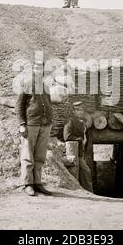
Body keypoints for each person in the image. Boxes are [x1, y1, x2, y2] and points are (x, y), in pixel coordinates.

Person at [15, 60, 54, 196]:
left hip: (45, 125)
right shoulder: (26, 84)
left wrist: (50, 120)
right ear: (32, 69)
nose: (38, 70)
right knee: (27, 154)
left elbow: (48, 103)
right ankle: (27, 184)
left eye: (41, 68)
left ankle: (37, 183)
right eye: (36, 68)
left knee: (40, 156)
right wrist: (21, 124)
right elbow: (19, 106)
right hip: (31, 124)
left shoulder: (45, 86)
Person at [63, 101, 93, 192]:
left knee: (85, 174)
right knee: (86, 172)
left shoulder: (82, 122)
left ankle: (87, 192)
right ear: (73, 111)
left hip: (80, 152)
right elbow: (67, 136)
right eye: (78, 110)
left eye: (81, 110)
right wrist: (80, 139)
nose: (80, 112)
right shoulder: (70, 121)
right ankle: (89, 192)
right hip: (74, 153)